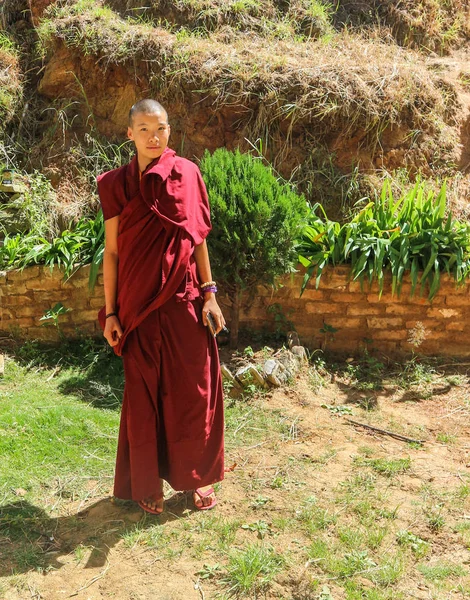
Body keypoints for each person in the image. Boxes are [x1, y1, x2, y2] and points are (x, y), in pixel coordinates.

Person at [96, 99, 226, 514]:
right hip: (136, 307)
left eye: (162, 128)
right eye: (145, 129)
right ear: (129, 134)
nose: (154, 137)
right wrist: (112, 312)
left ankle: (197, 479)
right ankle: (146, 483)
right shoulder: (115, 185)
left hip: (184, 299)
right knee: (142, 395)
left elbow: (198, 236)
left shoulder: (186, 174)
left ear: (170, 131)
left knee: (193, 390)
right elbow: (112, 252)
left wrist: (210, 293)